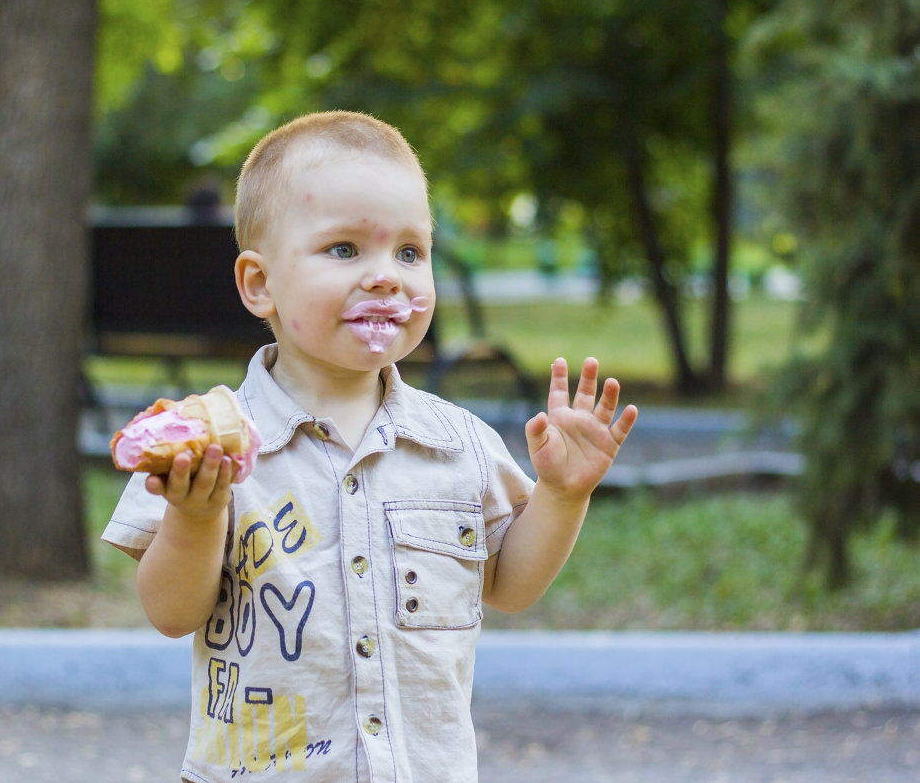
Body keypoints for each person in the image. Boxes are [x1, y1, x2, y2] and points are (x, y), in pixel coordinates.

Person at [102, 110, 638, 782]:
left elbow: (510, 586)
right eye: (346, 249)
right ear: (258, 283)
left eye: (410, 251)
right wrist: (198, 514)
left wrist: (561, 495)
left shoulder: (457, 444)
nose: (387, 276)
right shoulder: (208, 441)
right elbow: (170, 612)